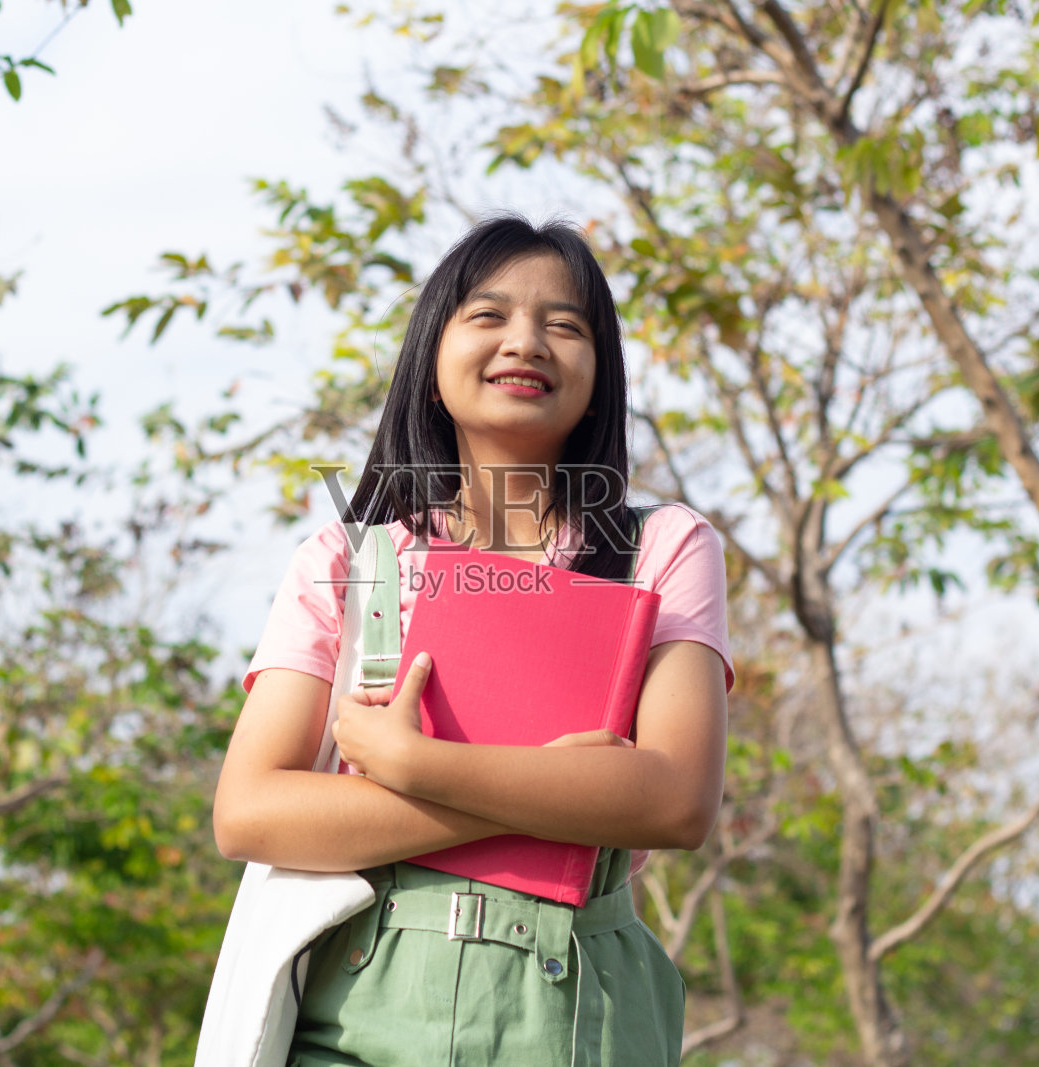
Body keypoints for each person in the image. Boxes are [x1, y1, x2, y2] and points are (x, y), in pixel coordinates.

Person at [212, 214, 734, 1066]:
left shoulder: (666, 547)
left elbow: (675, 799)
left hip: (582, 1027)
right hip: (355, 1026)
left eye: (564, 325)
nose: (525, 341)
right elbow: (249, 811)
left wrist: (417, 764)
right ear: (430, 365)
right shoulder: (344, 562)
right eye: (487, 316)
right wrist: (566, 787)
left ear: (601, 380)